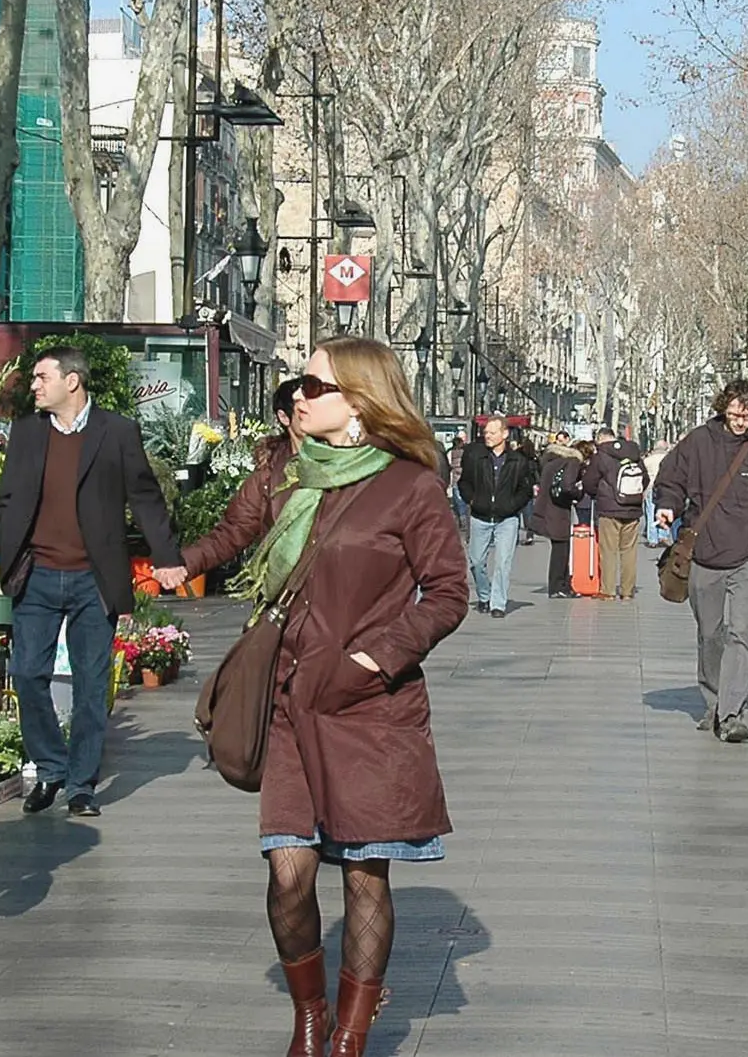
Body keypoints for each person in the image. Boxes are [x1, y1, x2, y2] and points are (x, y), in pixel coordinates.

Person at [246, 338, 470, 1057]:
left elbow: (447, 593)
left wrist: (376, 656)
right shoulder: (290, 474)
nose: (297, 396)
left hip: (369, 707)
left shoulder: (411, 486)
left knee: (365, 874)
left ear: (360, 402)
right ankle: (308, 1013)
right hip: (291, 701)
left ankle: (348, 1035)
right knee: (289, 872)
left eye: (312, 384)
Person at [0, 346, 183, 818]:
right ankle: (51, 766)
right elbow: (11, 496)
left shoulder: (116, 432)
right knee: (27, 674)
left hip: (92, 578)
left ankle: (81, 785)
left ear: (72, 382)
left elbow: (145, 496)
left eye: (42, 377)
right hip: (36, 574)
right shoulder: (26, 432)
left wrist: (165, 557)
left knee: (90, 685)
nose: (34, 385)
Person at [654, 378, 748, 744]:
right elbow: (670, 479)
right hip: (705, 552)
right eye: (735, 412)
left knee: (740, 633)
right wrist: (667, 508)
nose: (741, 420)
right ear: (723, 408)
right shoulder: (699, 441)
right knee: (709, 632)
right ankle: (714, 700)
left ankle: (731, 712)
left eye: (747, 414)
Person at [160, 377, 302, 591]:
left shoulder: (349, 462)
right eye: (303, 407)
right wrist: (182, 563)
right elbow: (231, 532)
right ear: (284, 417)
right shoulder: (268, 476)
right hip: (288, 596)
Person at [457, 416, 536, 616]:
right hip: (480, 516)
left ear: (504, 434)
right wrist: (473, 500)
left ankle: (497, 604)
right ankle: (484, 595)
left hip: (507, 519)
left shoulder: (518, 461)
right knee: (476, 561)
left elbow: (525, 490)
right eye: (486, 433)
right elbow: (464, 482)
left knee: (503, 562)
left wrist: (512, 506)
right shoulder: (477, 457)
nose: (488, 436)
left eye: (492, 432)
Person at [583, 423, 650, 600]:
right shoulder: (634, 453)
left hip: (609, 509)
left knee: (609, 550)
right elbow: (645, 478)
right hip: (633, 509)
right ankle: (627, 591)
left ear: (600, 439)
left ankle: (608, 590)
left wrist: (597, 495)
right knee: (629, 551)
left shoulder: (601, 456)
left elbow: (590, 481)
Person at [531, 432, 584, 599]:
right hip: (559, 509)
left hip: (547, 507)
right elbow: (568, 486)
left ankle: (561, 585)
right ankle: (558, 586)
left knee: (558, 547)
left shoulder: (550, 461)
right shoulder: (572, 461)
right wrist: (579, 493)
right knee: (561, 548)